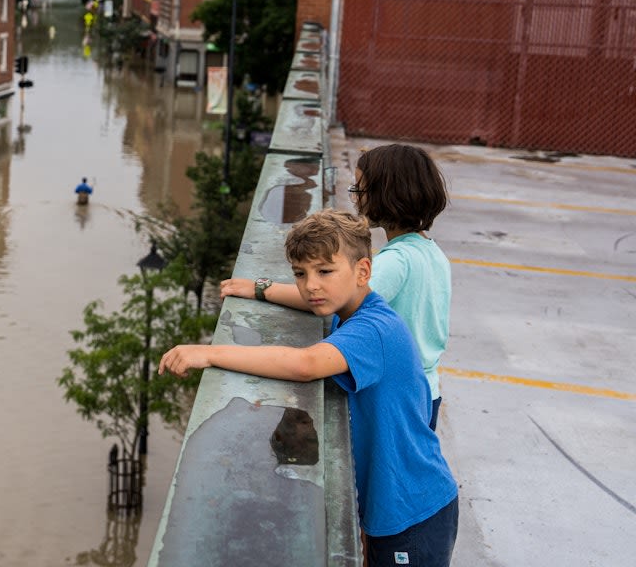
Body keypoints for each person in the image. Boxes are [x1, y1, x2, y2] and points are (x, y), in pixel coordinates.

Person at [160, 209, 458, 566]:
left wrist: (208, 354)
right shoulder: (351, 309)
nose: (311, 285)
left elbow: (306, 365)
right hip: (394, 502)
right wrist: (259, 289)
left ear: (363, 271)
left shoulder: (374, 330)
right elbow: (311, 300)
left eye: (324, 271)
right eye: (301, 273)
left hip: (414, 510)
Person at [219, 144, 451, 430]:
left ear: (387, 194)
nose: (354, 198)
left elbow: (329, 297)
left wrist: (262, 289)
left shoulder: (397, 261)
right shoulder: (431, 251)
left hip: (402, 398)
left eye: (360, 190)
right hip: (427, 388)